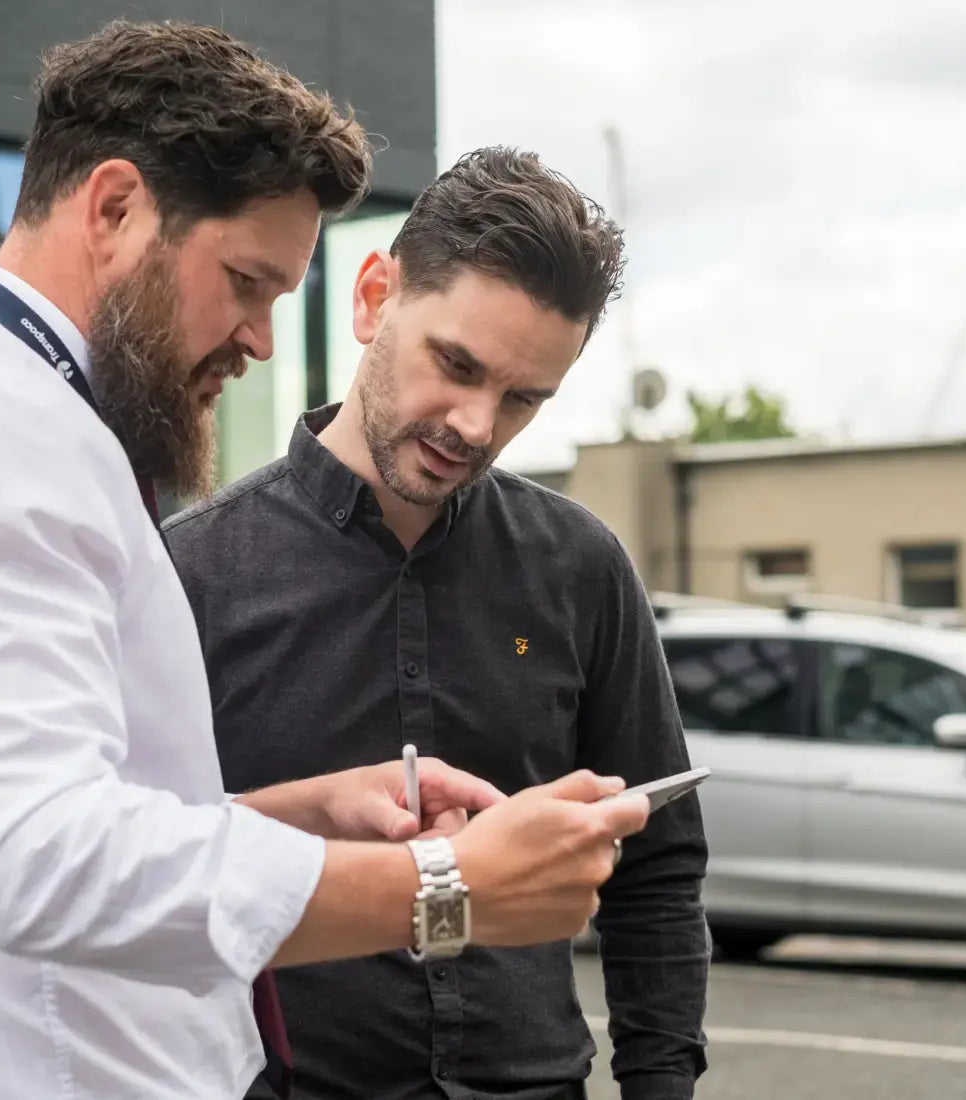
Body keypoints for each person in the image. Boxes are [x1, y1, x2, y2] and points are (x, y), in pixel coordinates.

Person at [0, 25, 653, 1100]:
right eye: (247, 281)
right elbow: (42, 862)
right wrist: (442, 886)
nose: (264, 339)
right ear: (116, 208)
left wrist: (293, 816)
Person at [163, 146, 710, 1100]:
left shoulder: (583, 567)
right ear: (375, 297)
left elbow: (657, 872)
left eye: (523, 397)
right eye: (456, 364)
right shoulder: (190, 573)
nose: (475, 423)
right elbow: (141, 865)